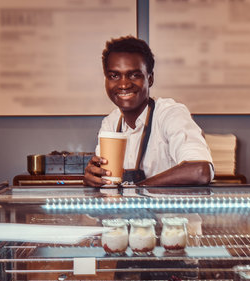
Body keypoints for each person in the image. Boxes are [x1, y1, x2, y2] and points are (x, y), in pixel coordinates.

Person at [84, 35, 213, 187]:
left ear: (150, 79)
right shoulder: (110, 123)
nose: (124, 84)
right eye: (114, 76)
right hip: (127, 211)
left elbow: (200, 171)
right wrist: (92, 179)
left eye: (134, 75)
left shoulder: (170, 114)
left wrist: (138, 190)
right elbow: (107, 185)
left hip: (172, 211)